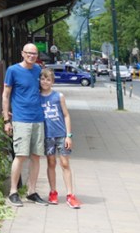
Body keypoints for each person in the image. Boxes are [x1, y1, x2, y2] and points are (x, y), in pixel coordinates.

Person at [1, 43, 48, 207]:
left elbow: (45, 90)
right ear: (22, 53)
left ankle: (32, 192)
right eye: (29, 53)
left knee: (36, 156)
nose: (32, 56)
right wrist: (6, 119)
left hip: (38, 118)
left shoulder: (38, 71)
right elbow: (5, 95)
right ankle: (13, 192)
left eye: (34, 53)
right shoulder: (12, 70)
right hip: (21, 119)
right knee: (20, 156)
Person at [40, 67, 82, 209]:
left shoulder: (58, 96)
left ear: (52, 81)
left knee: (64, 163)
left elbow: (66, 115)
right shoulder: (37, 96)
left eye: (48, 79)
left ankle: (70, 194)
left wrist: (68, 135)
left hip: (61, 134)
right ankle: (53, 192)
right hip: (47, 136)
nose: (45, 82)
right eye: (43, 79)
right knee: (51, 163)